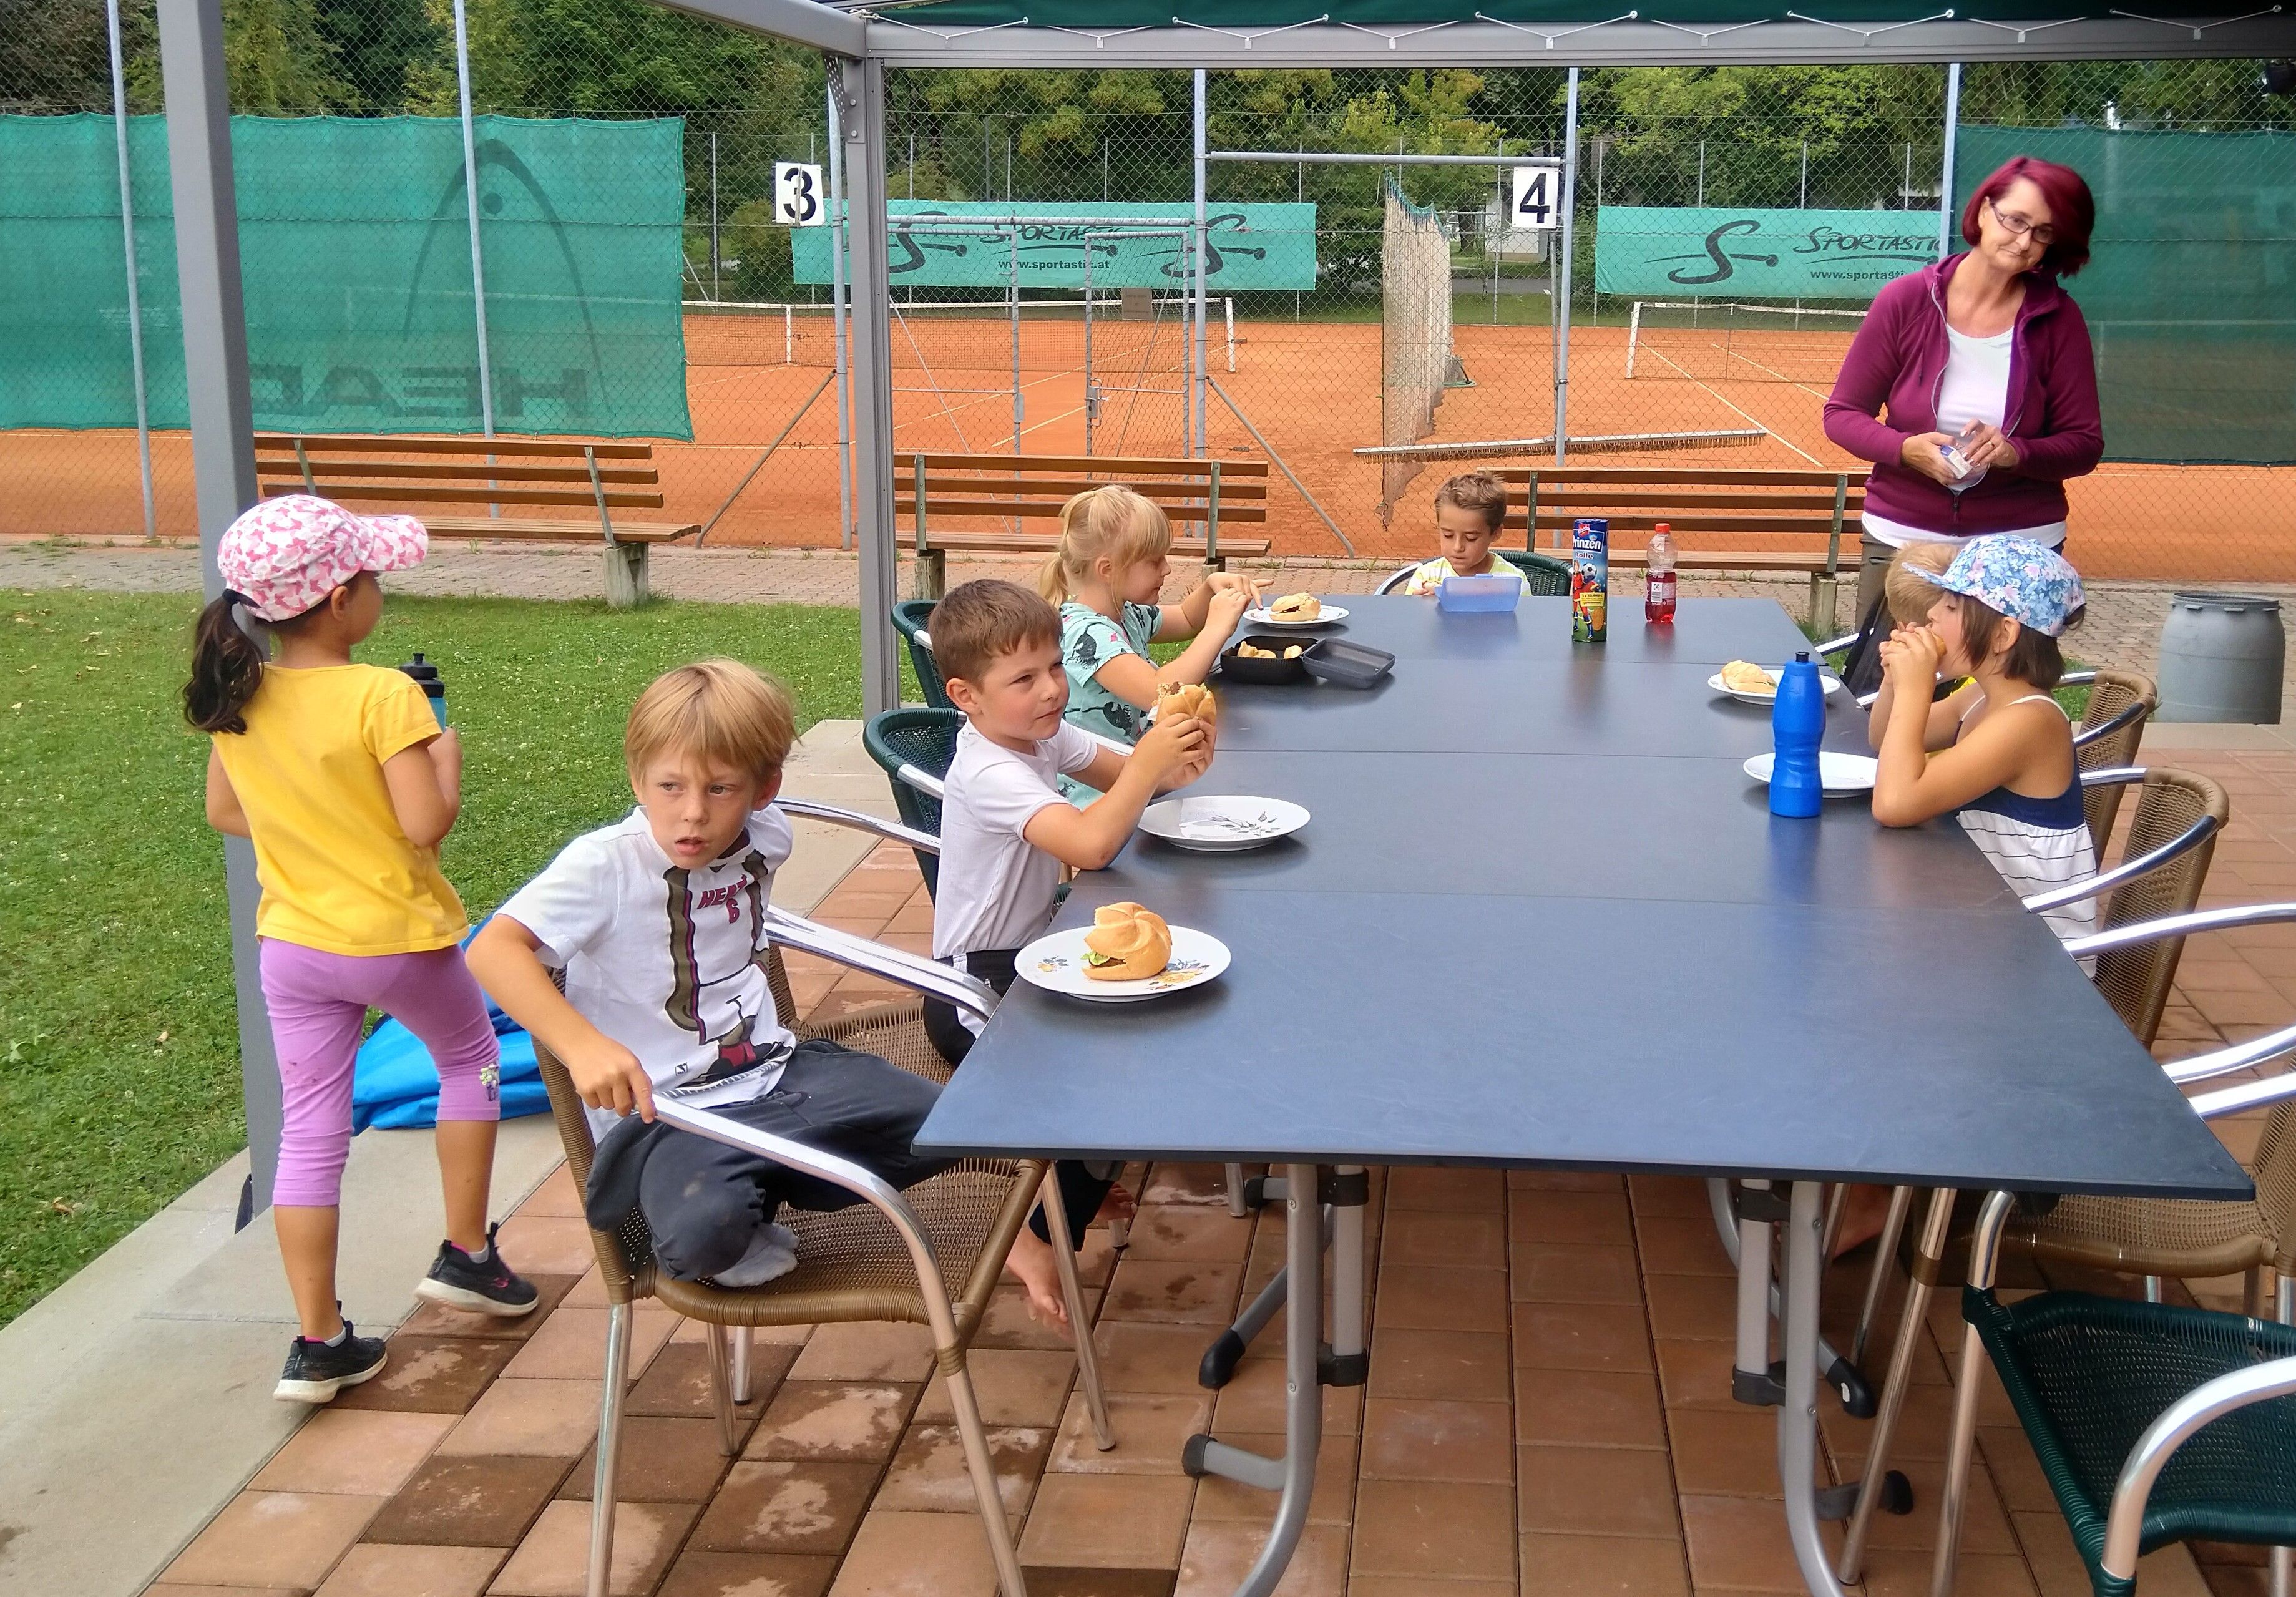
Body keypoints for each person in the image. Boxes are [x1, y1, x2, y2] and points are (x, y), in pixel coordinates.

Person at [187, 495, 535, 1404]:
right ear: (342, 599)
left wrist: (309, 826)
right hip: (396, 941)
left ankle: (319, 1340)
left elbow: (226, 811)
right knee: (470, 1059)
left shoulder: (241, 693)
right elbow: (424, 823)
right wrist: (445, 759)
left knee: (310, 1127)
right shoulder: (384, 693)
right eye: (375, 577)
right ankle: (467, 1253)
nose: (382, 589)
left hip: (293, 949)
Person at [467, 661, 950, 1296]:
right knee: (702, 1237)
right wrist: (582, 1046)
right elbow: (493, 951)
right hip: (668, 1114)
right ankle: (758, 1188)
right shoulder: (605, 866)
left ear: (765, 788)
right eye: (670, 786)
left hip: (778, 1073)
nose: (692, 815)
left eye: (720, 789)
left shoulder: (768, 837)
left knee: (955, 1127)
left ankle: (776, 1172)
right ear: (637, 778)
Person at [922, 579, 1213, 1325]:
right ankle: (1029, 1234)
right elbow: (1090, 843)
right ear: (966, 696)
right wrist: (1147, 767)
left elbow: (1139, 779)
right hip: (974, 988)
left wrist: (1179, 756)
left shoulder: (1040, 735)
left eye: (1055, 667)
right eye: (1023, 679)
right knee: (1096, 1087)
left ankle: (1072, 1186)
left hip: (1034, 958)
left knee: (1137, 1054)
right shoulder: (990, 769)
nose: (1053, 689)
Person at [1824, 155, 2103, 672]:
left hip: (2017, 551)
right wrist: (1904, 449)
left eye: (2042, 232)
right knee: (1880, 691)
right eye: (2014, 220)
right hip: (1904, 539)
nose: (2023, 241)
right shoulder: (1906, 300)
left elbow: (2084, 443)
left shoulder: (2058, 319)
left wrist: (2014, 453)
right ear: (1983, 210)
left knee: (2001, 704)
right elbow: (1842, 414)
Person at [1869, 536, 2097, 950]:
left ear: (2003, 635)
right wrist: (1895, 679)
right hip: (1984, 917)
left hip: (2032, 953)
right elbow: (1884, 739)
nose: (1932, 614)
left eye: (1952, 606)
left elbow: (1894, 804)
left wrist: (1916, 689)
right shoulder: (1980, 696)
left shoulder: (2029, 722)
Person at [1042, 483, 1258, 756]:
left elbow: (1186, 618)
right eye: (1155, 561)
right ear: (1108, 569)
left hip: (1134, 768)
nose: (1167, 569)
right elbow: (1160, 693)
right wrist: (1216, 629)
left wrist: (1210, 588)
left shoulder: (1127, 613)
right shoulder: (1085, 634)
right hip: (1101, 781)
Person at [1394, 471, 1518, 596]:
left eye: (1471, 538)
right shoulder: (1426, 576)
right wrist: (1418, 604)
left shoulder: (1512, 582)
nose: (1458, 547)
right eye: (1448, 535)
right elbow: (1408, 609)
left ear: (1496, 533)